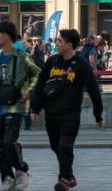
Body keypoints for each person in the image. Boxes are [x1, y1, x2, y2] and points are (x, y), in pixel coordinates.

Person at [29, 28, 105, 191]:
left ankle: (63, 179)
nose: (56, 43)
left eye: (59, 41)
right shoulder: (52, 61)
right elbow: (40, 85)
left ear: (69, 45)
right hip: (51, 114)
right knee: (56, 147)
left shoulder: (81, 65)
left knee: (65, 146)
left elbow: (93, 89)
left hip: (70, 114)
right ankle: (69, 174)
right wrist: (35, 108)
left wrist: (98, 114)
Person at [0, 22, 41, 191]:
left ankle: (21, 170)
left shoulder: (22, 57)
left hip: (15, 107)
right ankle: (7, 178)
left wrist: (28, 91)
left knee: (9, 141)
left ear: (7, 35)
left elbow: (38, 74)